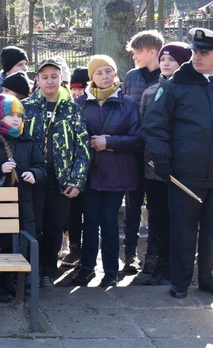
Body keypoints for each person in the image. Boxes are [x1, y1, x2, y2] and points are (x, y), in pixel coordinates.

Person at [143, 28, 213, 298]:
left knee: (210, 233)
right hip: (185, 173)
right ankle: (180, 282)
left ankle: (207, 280)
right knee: (183, 231)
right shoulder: (175, 84)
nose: (196, 56)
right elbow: (154, 124)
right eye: (195, 51)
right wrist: (161, 158)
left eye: (204, 52)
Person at [72, 55, 143, 288]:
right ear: (91, 77)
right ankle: (87, 268)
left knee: (109, 221)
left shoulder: (128, 104)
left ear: (115, 74)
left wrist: (110, 141)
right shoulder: (80, 103)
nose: (105, 77)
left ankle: (111, 271)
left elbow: (138, 140)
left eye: (109, 71)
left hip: (117, 173)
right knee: (89, 220)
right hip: (89, 173)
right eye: (99, 72)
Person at [23, 59, 90, 287]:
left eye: (54, 76)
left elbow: (82, 147)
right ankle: (30, 270)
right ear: (37, 79)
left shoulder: (72, 108)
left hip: (60, 180)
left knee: (54, 226)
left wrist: (76, 180)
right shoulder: (26, 107)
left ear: (61, 78)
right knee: (33, 225)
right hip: (31, 178)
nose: (50, 81)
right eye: (45, 76)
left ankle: (47, 272)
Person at [0, 94, 46, 301]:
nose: (16, 119)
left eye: (19, 115)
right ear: (0, 116)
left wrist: (34, 174)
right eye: (10, 115)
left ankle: (12, 280)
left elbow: (41, 166)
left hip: (23, 203)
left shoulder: (27, 140)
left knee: (16, 244)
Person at [137, 42, 191, 286]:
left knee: (179, 219)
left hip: (183, 170)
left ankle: (179, 266)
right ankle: (162, 263)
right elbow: (145, 126)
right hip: (154, 168)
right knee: (158, 217)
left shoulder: (190, 91)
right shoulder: (150, 93)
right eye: (163, 58)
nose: (166, 63)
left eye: (172, 59)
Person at [121, 30, 163, 274]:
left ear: (152, 52)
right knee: (132, 204)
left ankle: (153, 255)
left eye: (138, 52)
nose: (135, 56)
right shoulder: (131, 77)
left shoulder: (168, 77)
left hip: (157, 153)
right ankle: (130, 254)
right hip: (134, 151)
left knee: (156, 207)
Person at [61, 65, 91, 268]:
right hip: (70, 169)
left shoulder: (87, 104)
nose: (77, 92)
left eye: (82, 87)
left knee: (86, 214)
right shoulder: (70, 105)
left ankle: (85, 253)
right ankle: (73, 248)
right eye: (75, 87)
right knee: (71, 214)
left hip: (91, 169)